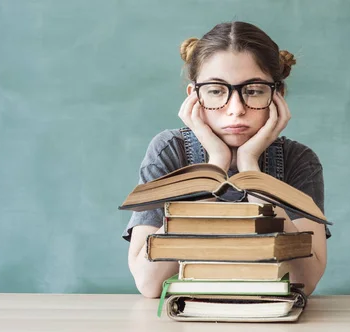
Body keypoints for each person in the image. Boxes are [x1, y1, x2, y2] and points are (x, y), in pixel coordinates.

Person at [123, 21, 329, 298]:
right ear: (194, 97)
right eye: (216, 91)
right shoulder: (169, 150)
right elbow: (150, 284)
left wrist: (250, 170)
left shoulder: (298, 160)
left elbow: (305, 280)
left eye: (254, 90)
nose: (236, 110)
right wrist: (214, 167)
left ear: (277, 95)